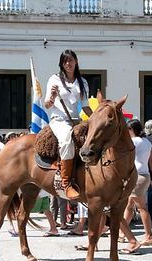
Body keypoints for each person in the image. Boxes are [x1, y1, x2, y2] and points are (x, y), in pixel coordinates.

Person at [43, 49, 91, 200]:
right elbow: (47, 105)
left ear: (76, 61)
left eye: (70, 60)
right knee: (66, 141)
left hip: (75, 120)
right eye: (65, 61)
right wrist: (51, 97)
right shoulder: (54, 79)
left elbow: (85, 106)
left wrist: (96, 118)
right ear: (61, 64)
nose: (68, 63)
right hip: (59, 119)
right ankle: (66, 183)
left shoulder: (82, 82)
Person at [120, 119, 152, 246]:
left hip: (136, 176)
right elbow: (151, 161)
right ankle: (122, 233)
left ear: (131, 130)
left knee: (141, 207)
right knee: (129, 206)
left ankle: (149, 236)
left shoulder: (133, 142)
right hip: (144, 175)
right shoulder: (147, 142)